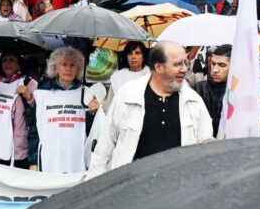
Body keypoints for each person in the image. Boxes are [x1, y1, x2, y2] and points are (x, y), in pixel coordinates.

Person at [87, 41, 213, 178]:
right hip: (131, 187)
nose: (184, 69)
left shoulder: (193, 101)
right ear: (158, 67)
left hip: (179, 189)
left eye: (185, 63)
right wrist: (93, 180)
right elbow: (105, 144)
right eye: (177, 64)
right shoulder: (127, 95)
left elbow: (205, 146)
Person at [32, 47, 100, 173]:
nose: (68, 69)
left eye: (72, 65)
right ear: (56, 67)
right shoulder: (43, 94)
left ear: (79, 69)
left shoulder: (87, 94)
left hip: (77, 159)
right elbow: (34, 130)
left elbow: (94, 133)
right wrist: (33, 161)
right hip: (50, 158)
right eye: (64, 64)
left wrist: (93, 113)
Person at [0, 51, 38, 168]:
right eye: (4, 60)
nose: (7, 63)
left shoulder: (28, 82)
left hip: (16, 149)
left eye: (12, 60)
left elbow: (40, 111)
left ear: (19, 65)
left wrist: (28, 96)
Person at [195, 44, 231, 137]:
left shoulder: (239, 93)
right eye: (213, 63)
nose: (215, 70)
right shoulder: (199, 88)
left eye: (222, 65)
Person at [107, 41, 150, 108]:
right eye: (130, 54)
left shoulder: (151, 75)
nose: (133, 57)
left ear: (144, 57)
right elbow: (109, 105)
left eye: (137, 53)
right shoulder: (117, 77)